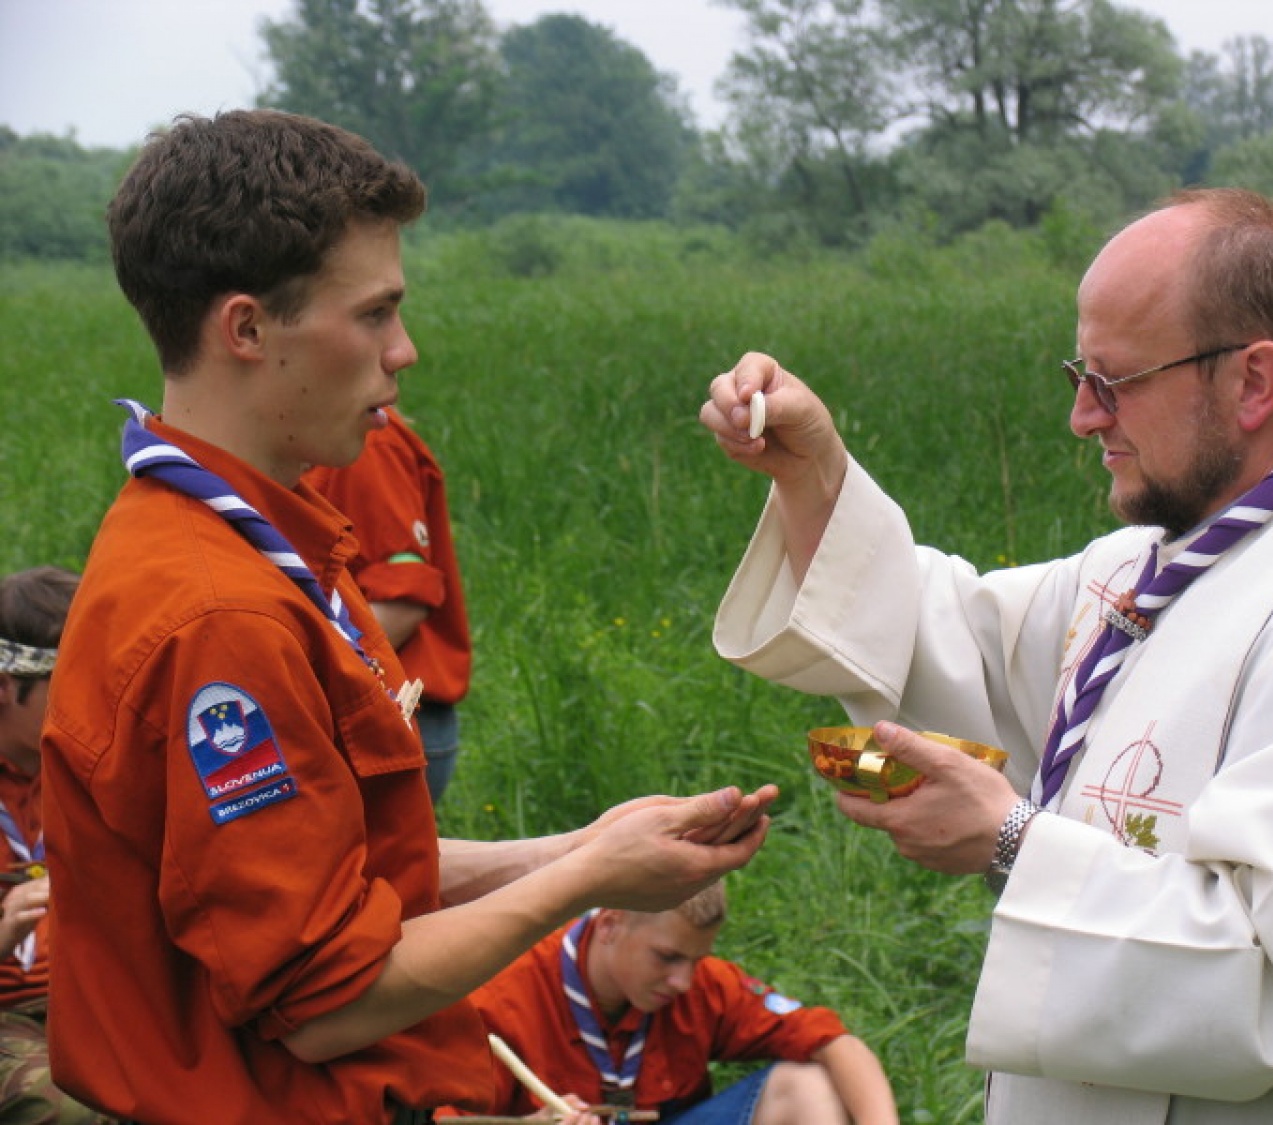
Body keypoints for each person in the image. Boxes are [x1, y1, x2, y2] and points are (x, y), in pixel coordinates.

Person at [39, 108, 777, 1125]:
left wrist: (577, 848)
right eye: (375, 314)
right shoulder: (222, 617)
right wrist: (587, 883)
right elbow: (326, 1003)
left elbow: (343, 883)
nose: (406, 351)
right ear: (247, 329)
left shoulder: (261, 538)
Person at [699, 188, 1273, 1122]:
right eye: (1080, 372)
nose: (1082, 416)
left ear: (1254, 381)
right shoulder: (1145, 574)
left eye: (1114, 381)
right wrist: (813, 472)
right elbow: (954, 638)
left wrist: (1011, 842)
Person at [462, 880, 899, 1124]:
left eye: (696, 960)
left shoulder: (703, 986)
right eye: (667, 957)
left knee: (807, 1086)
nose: (683, 981)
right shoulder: (504, 997)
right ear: (612, 923)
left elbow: (837, 1044)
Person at [305, 404, 472, 803]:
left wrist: (302, 693)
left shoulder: (367, 444)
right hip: (371, 721)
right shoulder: (320, 436)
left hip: (388, 721)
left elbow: (402, 600)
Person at [0, 567, 114, 1125]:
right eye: (67, 683)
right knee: (74, 1111)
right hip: (8, 1012)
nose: (88, 702)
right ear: (5, 686)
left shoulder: (91, 767)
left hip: (93, 992)